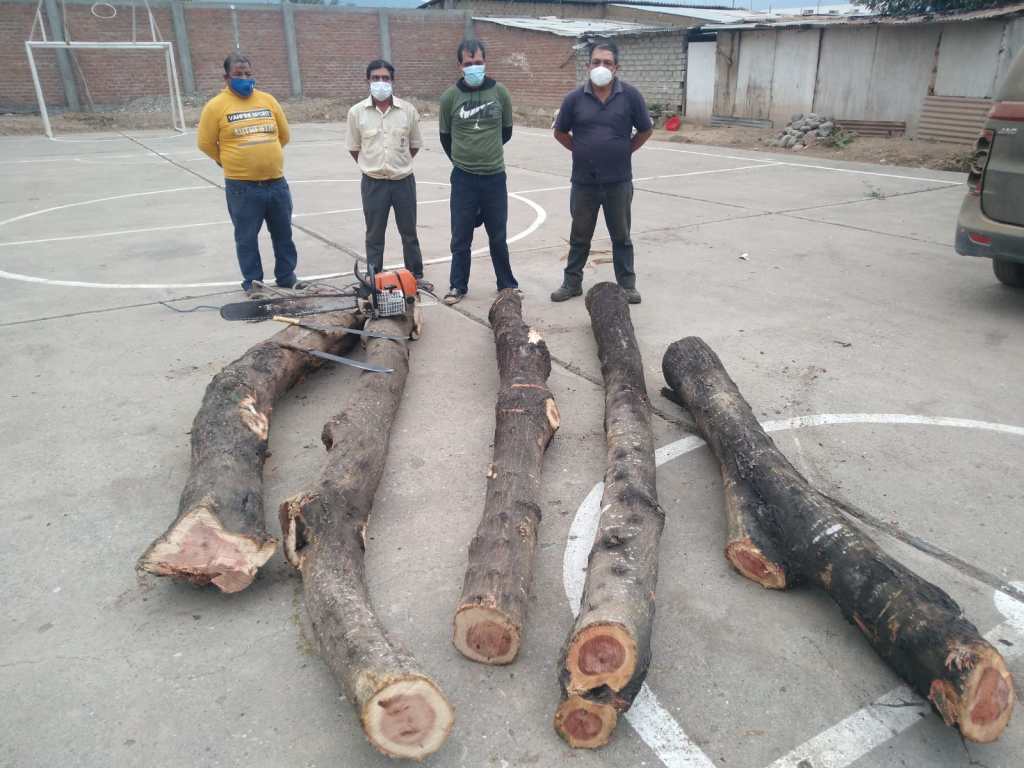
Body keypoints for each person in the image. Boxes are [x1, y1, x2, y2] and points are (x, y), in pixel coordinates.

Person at [551, 39, 653, 304]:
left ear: (616, 67)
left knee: (621, 236)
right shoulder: (574, 99)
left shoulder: (630, 96)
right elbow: (560, 132)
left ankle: (627, 286)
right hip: (584, 182)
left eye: (607, 62)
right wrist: (581, 150)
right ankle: (571, 283)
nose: (601, 67)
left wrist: (624, 150)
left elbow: (645, 130)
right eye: (596, 62)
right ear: (588, 66)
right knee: (579, 235)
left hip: (618, 181)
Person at [197, 51, 306, 296]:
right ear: (227, 77)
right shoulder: (216, 107)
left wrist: (267, 154)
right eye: (238, 74)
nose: (244, 78)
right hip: (242, 187)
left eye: (248, 73)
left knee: (283, 233)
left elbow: (284, 135)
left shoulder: (268, 101)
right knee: (246, 238)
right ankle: (253, 283)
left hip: (276, 183)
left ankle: (287, 276)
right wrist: (224, 160)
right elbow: (205, 143)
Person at [438, 38, 518, 305]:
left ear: (486, 62)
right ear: (459, 65)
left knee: (498, 236)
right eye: (469, 63)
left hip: (495, 177)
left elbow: (505, 132)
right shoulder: (450, 97)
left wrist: (486, 152)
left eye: (479, 62)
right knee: (461, 237)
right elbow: (445, 137)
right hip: (464, 179)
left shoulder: (501, 93)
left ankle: (507, 284)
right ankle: (457, 286)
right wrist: (465, 160)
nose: (474, 67)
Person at [346, 59, 431, 290]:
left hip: (403, 181)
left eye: (385, 78)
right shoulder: (357, 113)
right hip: (373, 183)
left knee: (409, 232)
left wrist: (398, 164)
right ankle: (374, 278)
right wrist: (374, 166)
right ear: (368, 80)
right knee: (374, 234)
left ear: (393, 81)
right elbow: (354, 148)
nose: (381, 83)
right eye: (376, 78)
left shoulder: (407, 111)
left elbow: (414, 145)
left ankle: (415, 277)